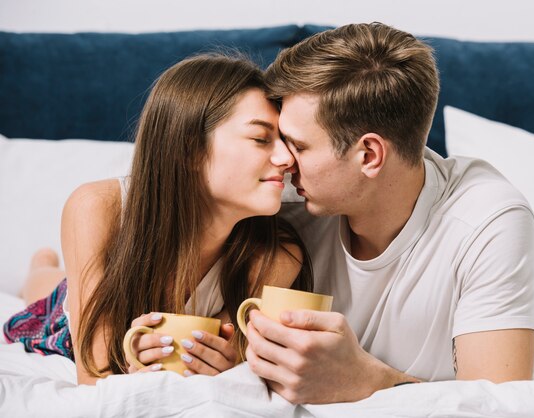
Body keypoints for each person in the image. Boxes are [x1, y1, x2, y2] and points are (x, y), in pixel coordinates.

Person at [243, 22, 534, 404]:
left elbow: (501, 408)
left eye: (298, 146)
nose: (282, 160)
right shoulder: (278, 197)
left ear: (369, 155)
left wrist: (365, 380)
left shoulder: (486, 221)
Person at [3, 54, 313, 385]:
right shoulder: (95, 207)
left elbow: (225, 352)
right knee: (46, 289)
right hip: (71, 319)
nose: (286, 159)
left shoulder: (278, 255)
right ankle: (41, 264)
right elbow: (94, 374)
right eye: (261, 139)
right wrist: (126, 357)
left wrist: (224, 360)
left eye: (285, 141)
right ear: (191, 149)